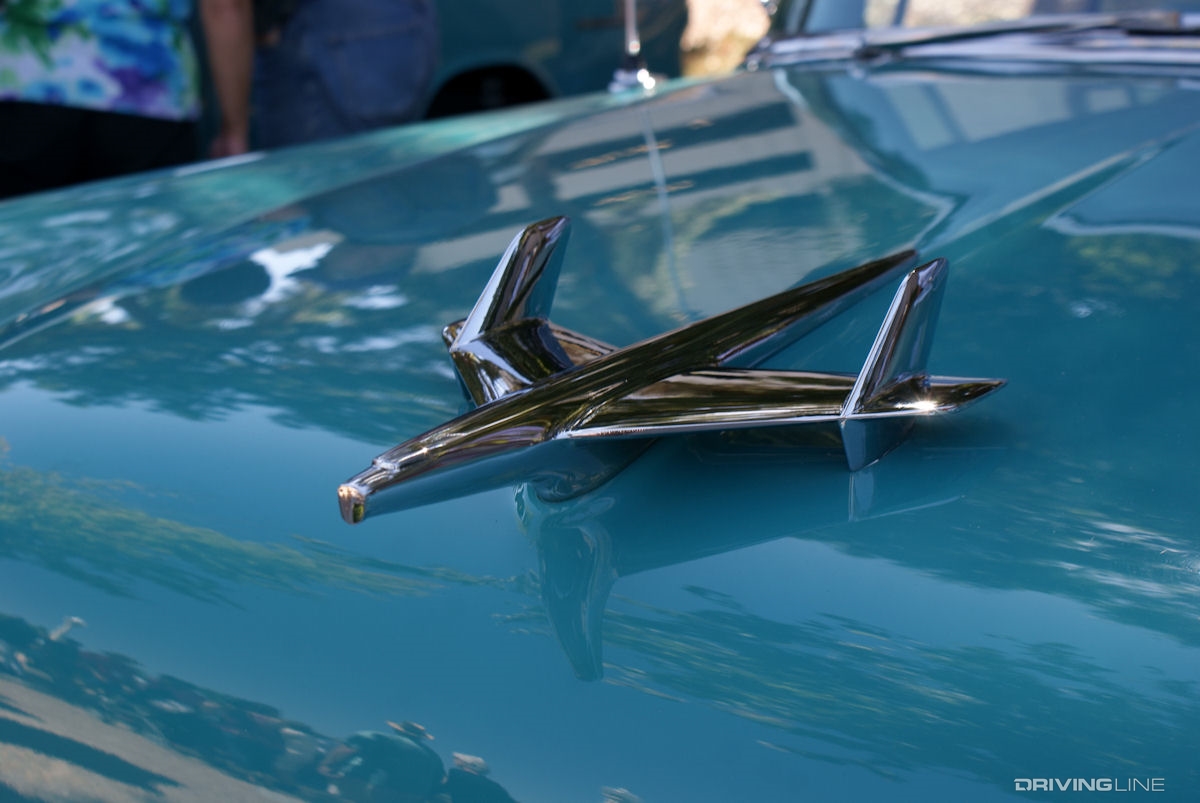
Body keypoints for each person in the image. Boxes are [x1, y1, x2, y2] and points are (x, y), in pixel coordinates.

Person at [0, 0, 253, 200]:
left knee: (22, 246)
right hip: (149, 92)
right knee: (147, 247)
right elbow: (226, 7)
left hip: (28, 80)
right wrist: (234, 129)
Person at [252, 0, 437, 148]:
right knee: (386, 162)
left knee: (321, 173)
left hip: (326, 31)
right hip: (401, 19)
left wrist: (234, 131)